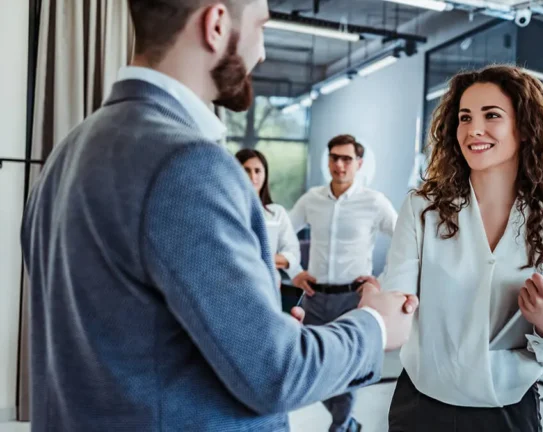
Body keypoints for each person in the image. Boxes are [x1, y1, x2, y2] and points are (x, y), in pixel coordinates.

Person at [19, 1, 418, 431]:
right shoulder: (187, 164)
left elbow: (127, 339)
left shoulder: (67, 152)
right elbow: (276, 373)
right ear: (216, 24)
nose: (261, 52)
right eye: (261, 28)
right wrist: (375, 325)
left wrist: (253, 324)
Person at [383, 65, 543, 431]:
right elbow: (396, 304)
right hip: (421, 408)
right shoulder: (422, 209)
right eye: (465, 118)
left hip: (507, 414)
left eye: (491, 115)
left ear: (524, 128)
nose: (474, 129)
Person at [289, 134, 398, 432]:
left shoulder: (373, 202)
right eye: (334, 157)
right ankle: (347, 423)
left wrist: (381, 282)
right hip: (314, 297)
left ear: (359, 163)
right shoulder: (311, 199)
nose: (339, 164)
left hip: (351, 300)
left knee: (348, 370)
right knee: (309, 367)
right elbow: (284, 234)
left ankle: (339, 427)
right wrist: (295, 271)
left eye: (347, 159)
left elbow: (405, 240)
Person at [235, 149, 301, 282]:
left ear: (265, 175)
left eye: (257, 171)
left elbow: (293, 255)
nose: (252, 177)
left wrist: (261, 257)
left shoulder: (277, 213)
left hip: (268, 286)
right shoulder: (227, 211)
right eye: (246, 170)